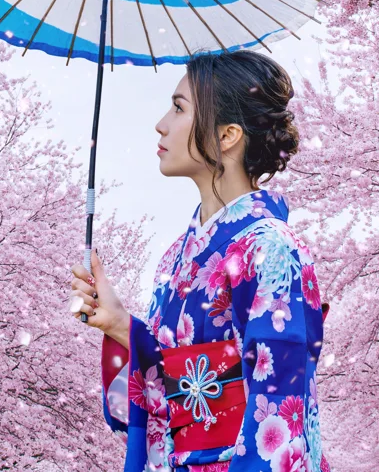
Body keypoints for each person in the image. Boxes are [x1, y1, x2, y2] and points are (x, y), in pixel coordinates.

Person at [70, 49, 331, 472]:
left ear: (227, 135)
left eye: (178, 108)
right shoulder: (176, 257)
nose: (161, 123)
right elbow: (165, 403)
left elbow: (282, 407)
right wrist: (119, 325)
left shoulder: (271, 248)